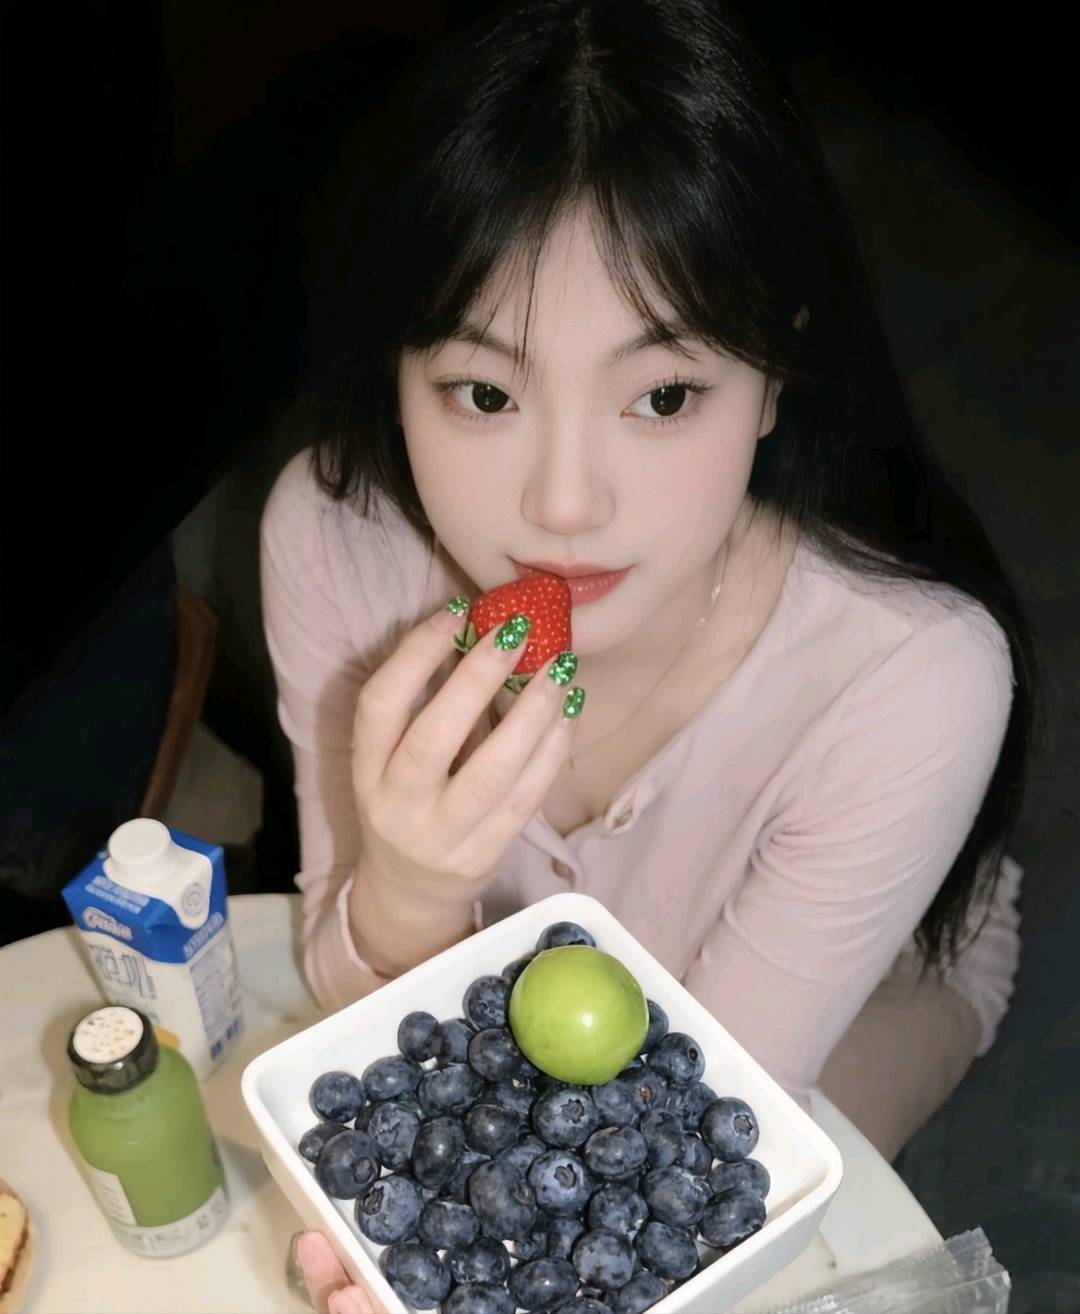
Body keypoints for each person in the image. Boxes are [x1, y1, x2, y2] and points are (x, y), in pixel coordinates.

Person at [261, 1, 1041, 1307]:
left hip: (861, 983)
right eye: (484, 393)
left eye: (664, 395)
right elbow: (348, 990)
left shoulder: (913, 683)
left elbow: (684, 1154)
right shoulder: (334, 542)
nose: (563, 505)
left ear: (775, 372)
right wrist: (402, 886)